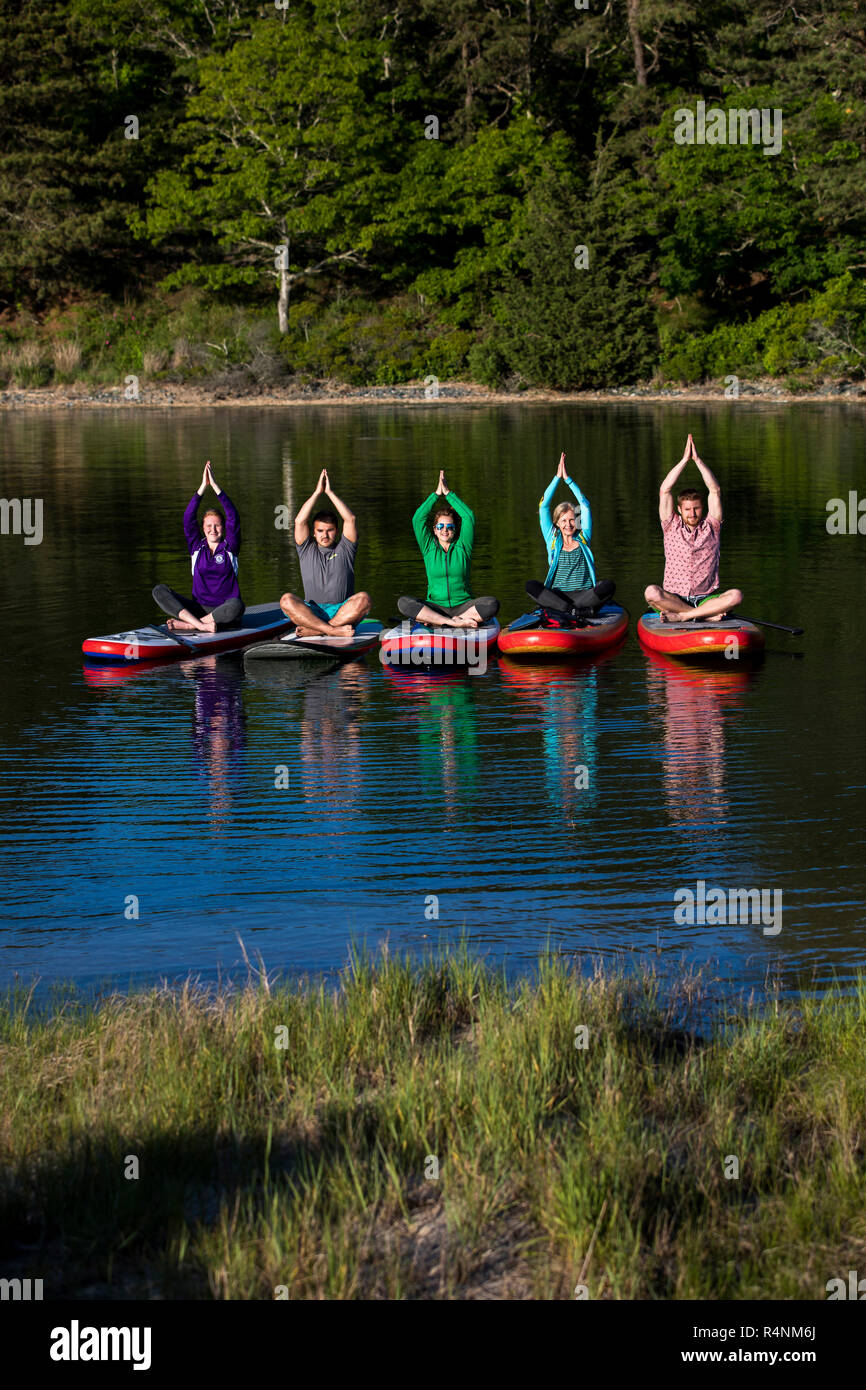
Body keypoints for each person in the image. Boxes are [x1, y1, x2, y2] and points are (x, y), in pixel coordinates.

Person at [644, 434, 743, 622]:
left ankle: (686, 616)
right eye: (688, 509)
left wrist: (697, 460)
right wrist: (684, 460)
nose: (692, 513)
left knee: (736, 596)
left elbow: (715, 491)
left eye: (696, 508)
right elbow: (664, 490)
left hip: (706, 598)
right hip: (675, 597)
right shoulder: (671, 525)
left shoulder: (712, 527)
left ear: (702, 508)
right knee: (652, 593)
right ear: (679, 510)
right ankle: (705, 616)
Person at [397, 471, 498, 630]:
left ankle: (445, 620)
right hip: (436, 607)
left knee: (491, 604)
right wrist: (436, 494)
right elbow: (417, 519)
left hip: (464, 606)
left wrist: (448, 494)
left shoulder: (463, 546)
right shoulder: (428, 547)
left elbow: (469, 517)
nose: (445, 530)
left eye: (450, 527)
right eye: (440, 526)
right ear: (435, 530)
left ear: (455, 530)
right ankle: (451, 622)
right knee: (403, 602)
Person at [152, 461, 244, 632]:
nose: (213, 530)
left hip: (223, 613)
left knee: (237, 605)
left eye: (217, 525)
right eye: (208, 526)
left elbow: (233, 516)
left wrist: (215, 486)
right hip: (198, 608)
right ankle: (201, 625)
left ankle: (189, 625)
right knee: (159, 590)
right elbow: (188, 518)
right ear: (203, 528)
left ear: (223, 528)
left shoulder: (230, 547)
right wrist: (202, 487)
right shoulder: (196, 547)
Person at [526, 452, 616, 624]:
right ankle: (575, 612)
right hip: (558, 596)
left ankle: (567, 612)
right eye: (564, 520)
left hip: (584, 595)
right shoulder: (552, 538)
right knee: (530, 585)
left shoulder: (583, 537)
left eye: (572, 520)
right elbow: (543, 506)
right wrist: (557, 478)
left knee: (608, 585)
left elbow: (585, 505)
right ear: (557, 523)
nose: (568, 524)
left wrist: (568, 480)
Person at [279, 469, 371, 637]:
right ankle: (331, 630)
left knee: (364, 599)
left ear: (336, 531)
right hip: (312, 612)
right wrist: (317, 493)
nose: (325, 535)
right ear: (314, 532)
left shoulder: (346, 548)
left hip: (342, 612)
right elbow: (299, 521)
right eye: (320, 530)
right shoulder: (306, 549)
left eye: (330, 530)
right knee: (286, 599)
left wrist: (330, 492)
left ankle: (317, 630)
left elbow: (350, 519)